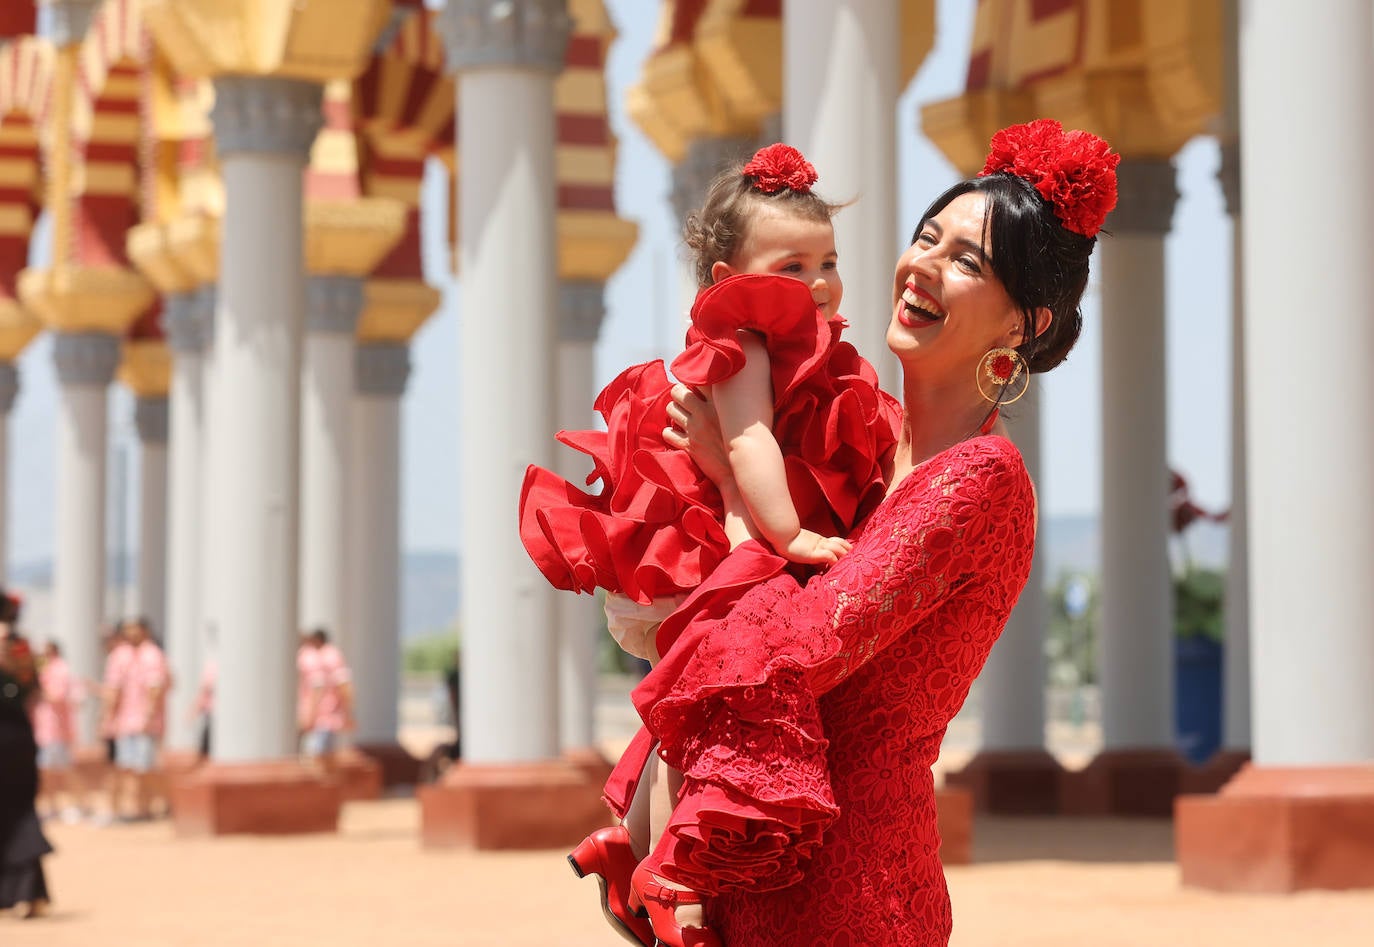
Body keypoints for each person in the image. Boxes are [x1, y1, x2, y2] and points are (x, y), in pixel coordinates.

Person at [607, 119, 1118, 946]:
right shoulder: (866, 440)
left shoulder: (979, 480)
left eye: (968, 262)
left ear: (1022, 324)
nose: (923, 265)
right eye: (928, 237)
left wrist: (732, 484)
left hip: (853, 894)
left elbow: (793, 650)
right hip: (751, 875)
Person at [521, 143, 900, 945]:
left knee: (693, 709)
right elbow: (748, 441)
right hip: (705, 537)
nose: (819, 283)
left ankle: (628, 845)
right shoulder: (744, 343)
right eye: (792, 267)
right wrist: (791, 533)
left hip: (732, 527)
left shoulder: (792, 346)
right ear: (731, 278)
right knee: (699, 716)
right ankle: (674, 881)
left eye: (828, 262)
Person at [0, 595, 54, 918]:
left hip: (10, 737)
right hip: (17, 737)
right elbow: (32, 690)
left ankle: (25, 892)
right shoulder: (20, 645)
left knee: (17, 812)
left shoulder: (16, 647)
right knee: (19, 811)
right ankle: (27, 893)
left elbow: (28, 687)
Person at [103, 618, 169, 821]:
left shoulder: (152, 655)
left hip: (145, 723)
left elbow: (155, 688)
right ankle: (134, 808)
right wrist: (108, 718)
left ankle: (146, 807)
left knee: (144, 768)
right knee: (127, 767)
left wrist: (148, 716)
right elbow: (114, 690)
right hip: (125, 722)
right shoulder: (122, 655)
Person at [32, 642, 82, 823]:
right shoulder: (42, 670)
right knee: (45, 772)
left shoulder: (61, 669)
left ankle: (75, 805)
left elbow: (57, 696)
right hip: (43, 729)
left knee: (64, 770)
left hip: (57, 730)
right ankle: (51, 806)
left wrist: (37, 691)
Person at [296, 628, 354, 771]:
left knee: (316, 761)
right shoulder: (327, 655)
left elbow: (323, 686)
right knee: (325, 761)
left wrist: (309, 715)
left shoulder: (322, 657)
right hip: (327, 718)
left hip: (323, 717)